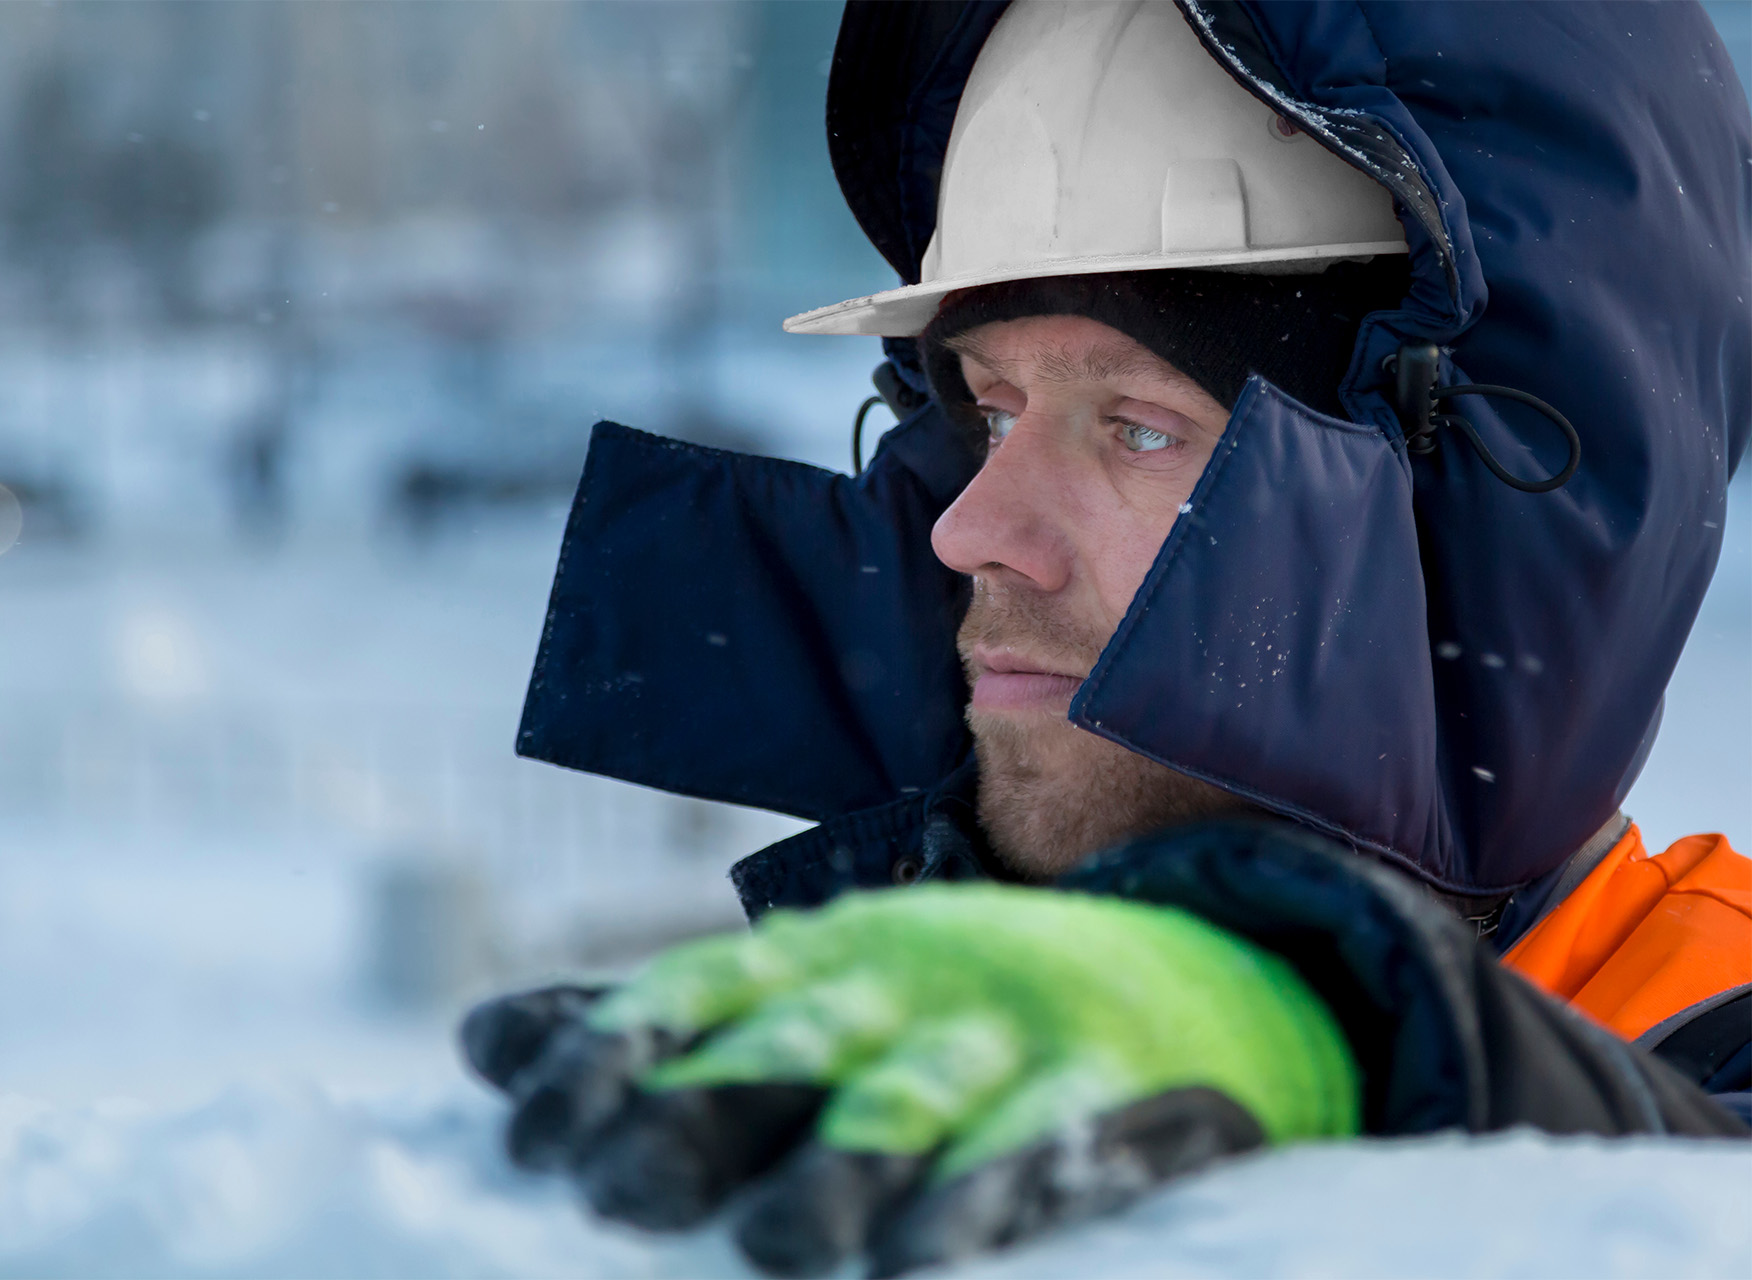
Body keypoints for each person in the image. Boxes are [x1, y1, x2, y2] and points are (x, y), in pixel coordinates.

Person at [469, 2, 1752, 1274]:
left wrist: (1336, 1031)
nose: (970, 529)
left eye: (1140, 426)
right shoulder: (927, 1099)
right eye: (989, 410)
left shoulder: (1714, 1027)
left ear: (1479, 518)